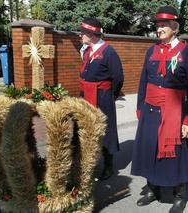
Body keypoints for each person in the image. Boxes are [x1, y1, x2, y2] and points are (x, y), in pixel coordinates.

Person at [131, 6, 188, 213]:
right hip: (150, 109)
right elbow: (143, 80)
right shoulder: (151, 50)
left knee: (176, 155)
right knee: (150, 150)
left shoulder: (186, 53)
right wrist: (139, 108)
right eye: (157, 25)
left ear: (175, 28)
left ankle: (180, 194)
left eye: (164, 25)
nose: (159, 28)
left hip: (175, 111)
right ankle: (153, 189)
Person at [79, 18, 124, 180]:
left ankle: (109, 166)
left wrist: (111, 95)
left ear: (92, 34)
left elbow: (118, 78)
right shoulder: (86, 50)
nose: (81, 35)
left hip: (103, 97)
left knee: (106, 131)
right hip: (86, 95)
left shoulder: (108, 52)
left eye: (83, 32)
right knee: (87, 129)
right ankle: (90, 163)